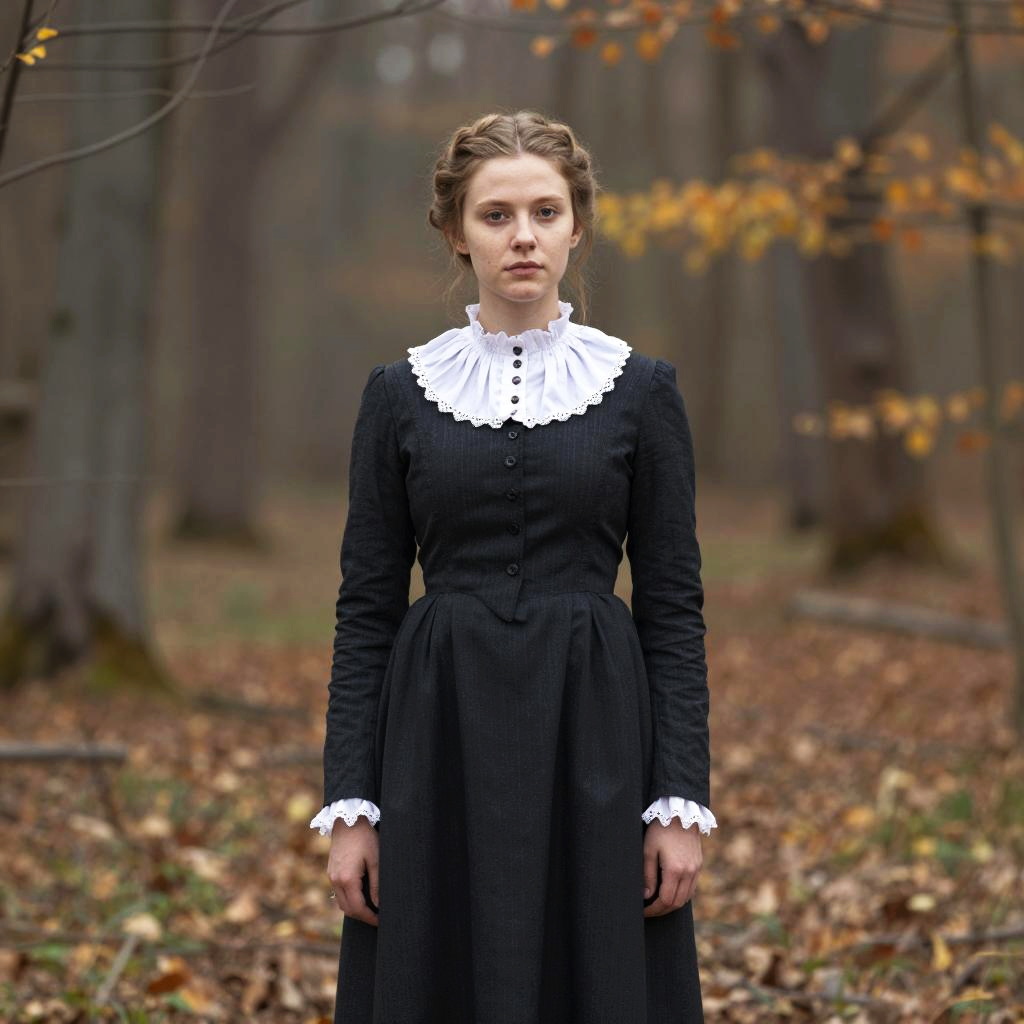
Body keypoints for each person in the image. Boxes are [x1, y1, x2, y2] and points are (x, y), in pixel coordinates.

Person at [310, 109, 717, 1023]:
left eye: (545, 211)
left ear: (578, 225)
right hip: (435, 736)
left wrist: (679, 800)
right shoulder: (398, 394)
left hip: (599, 733)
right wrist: (352, 804)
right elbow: (365, 611)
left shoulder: (642, 392)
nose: (523, 236)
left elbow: (675, 610)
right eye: (497, 215)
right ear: (457, 232)